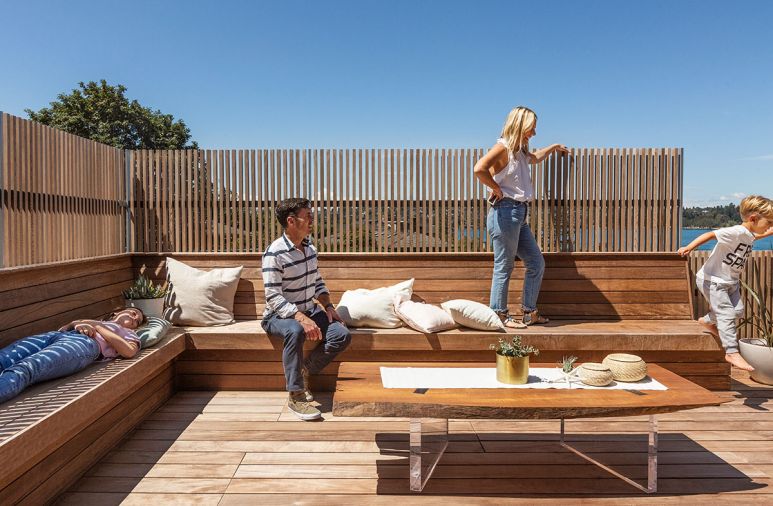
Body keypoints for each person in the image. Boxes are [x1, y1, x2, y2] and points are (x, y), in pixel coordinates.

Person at [473, 106, 569, 328]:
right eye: (531, 128)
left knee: (536, 262)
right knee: (504, 266)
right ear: (520, 125)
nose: (534, 133)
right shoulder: (503, 147)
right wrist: (496, 188)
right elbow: (479, 169)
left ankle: (529, 313)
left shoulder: (521, 150)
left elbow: (535, 158)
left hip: (519, 213)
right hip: (505, 211)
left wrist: (554, 147)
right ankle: (498, 315)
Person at [261, 198, 352, 421]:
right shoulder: (275, 253)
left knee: (342, 334)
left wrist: (328, 306)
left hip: (309, 310)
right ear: (291, 221)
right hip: (278, 316)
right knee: (295, 330)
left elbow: (317, 282)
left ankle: (305, 371)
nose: (312, 220)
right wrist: (300, 317)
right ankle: (296, 395)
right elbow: (272, 296)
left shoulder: (310, 248)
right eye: (308, 216)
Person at [678, 195, 773, 371]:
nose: (769, 225)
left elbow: (759, 236)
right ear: (753, 219)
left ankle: (706, 322)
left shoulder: (749, 235)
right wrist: (689, 247)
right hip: (713, 281)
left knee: (737, 311)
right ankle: (731, 352)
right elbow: (711, 234)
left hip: (730, 282)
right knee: (727, 313)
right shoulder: (736, 231)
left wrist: (770, 230)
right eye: (768, 222)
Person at [0, 308, 144, 404]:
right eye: (133, 312)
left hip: (86, 344)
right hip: (57, 335)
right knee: (4, 358)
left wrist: (97, 327)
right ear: (117, 312)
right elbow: (63, 329)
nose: (135, 317)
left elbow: (129, 351)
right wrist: (76, 324)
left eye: (138, 320)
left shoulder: (129, 333)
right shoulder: (101, 320)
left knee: (27, 368)